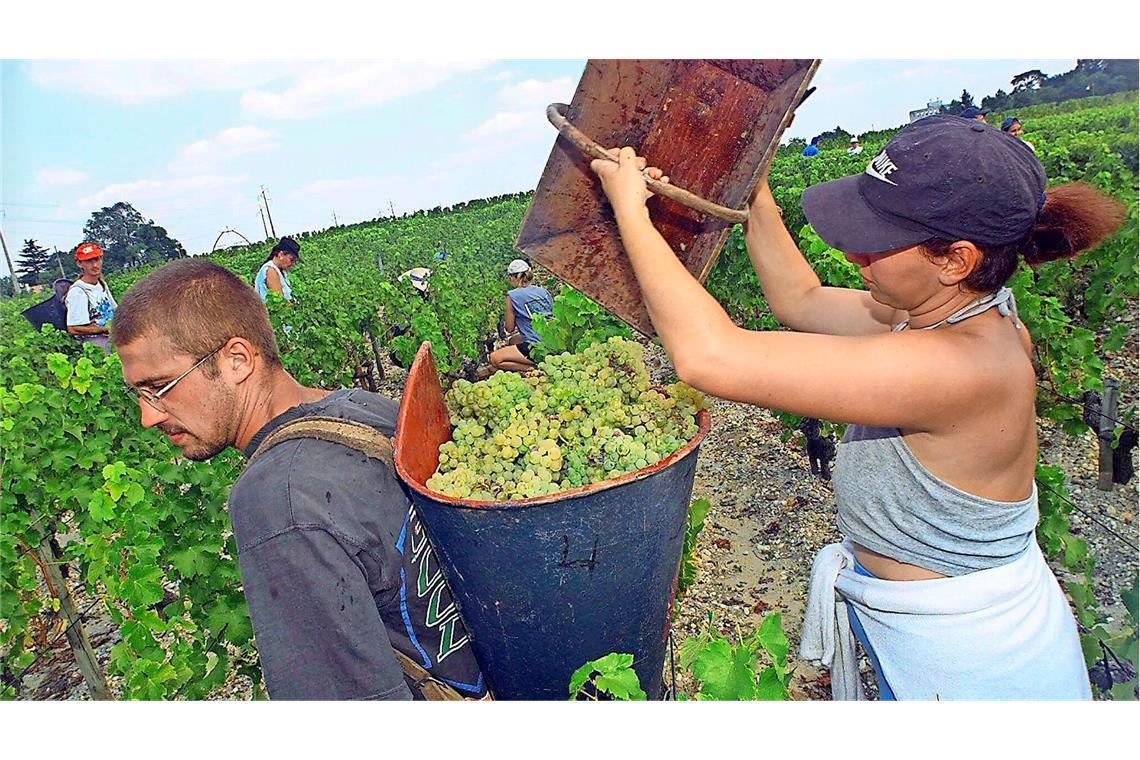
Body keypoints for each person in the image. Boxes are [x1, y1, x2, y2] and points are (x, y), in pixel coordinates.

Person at [588, 115, 1124, 700]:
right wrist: (755, 191)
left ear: (955, 259)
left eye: (877, 238)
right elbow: (801, 298)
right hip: (917, 623)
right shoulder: (947, 311)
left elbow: (711, 359)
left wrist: (630, 214)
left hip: (972, 667)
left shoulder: (955, 367)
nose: (852, 249)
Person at [111, 259, 488, 700]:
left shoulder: (277, 498)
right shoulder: (366, 408)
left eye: (159, 386)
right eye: (137, 393)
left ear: (237, 360)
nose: (147, 416)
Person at [488, 259, 553, 373]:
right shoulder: (544, 292)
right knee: (513, 340)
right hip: (553, 341)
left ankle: (534, 369)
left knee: (495, 359)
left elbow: (509, 328)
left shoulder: (512, 296)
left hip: (537, 347)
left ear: (512, 278)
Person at [66, 242, 117, 353]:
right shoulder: (78, 292)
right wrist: (103, 329)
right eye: (89, 261)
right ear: (80, 264)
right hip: (96, 346)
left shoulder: (101, 284)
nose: (95, 265)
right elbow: (73, 328)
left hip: (112, 338)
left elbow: (115, 309)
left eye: (97, 259)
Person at [254, 236, 301, 302]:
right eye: (291, 259)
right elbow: (280, 302)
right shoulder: (271, 270)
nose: (292, 263)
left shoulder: (281, 270)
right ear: (281, 254)